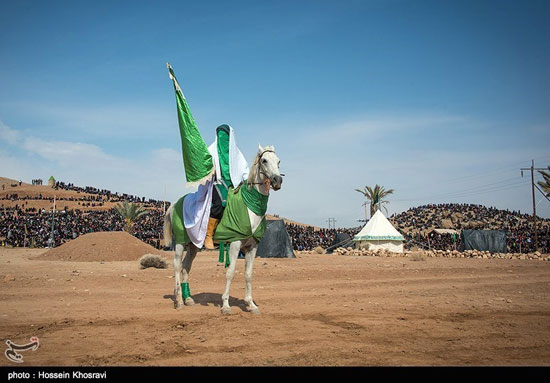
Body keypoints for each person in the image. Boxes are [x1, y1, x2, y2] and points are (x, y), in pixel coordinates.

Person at [204, 124, 249, 249]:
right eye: (220, 135)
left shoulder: (236, 153)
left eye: (224, 135)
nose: (222, 138)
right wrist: (210, 171)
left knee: (241, 204)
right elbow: (203, 167)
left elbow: (245, 170)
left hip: (234, 184)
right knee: (220, 202)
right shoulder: (210, 151)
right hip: (216, 182)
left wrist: (245, 182)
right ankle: (209, 235)